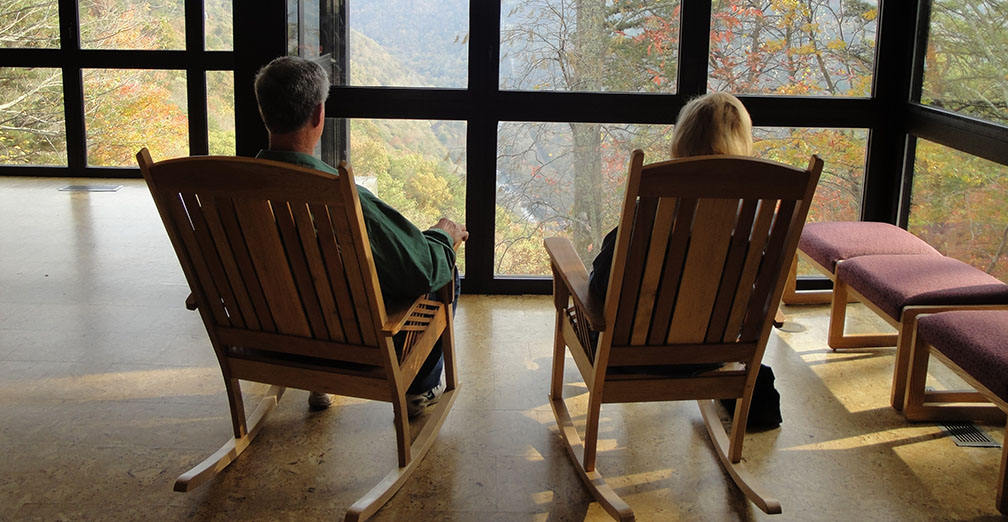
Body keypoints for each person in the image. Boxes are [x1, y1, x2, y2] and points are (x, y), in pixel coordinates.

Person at [253, 55, 467, 418]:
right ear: (319, 115)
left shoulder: (229, 192)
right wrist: (443, 235)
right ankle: (419, 389)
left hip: (267, 340)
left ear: (264, 113)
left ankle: (316, 380)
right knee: (446, 273)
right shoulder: (338, 195)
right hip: (346, 346)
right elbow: (423, 270)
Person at [588, 92, 782, 429]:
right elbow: (763, 293)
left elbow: (602, 286)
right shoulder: (758, 217)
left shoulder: (652, 209)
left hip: (628, 356)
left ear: (682, 140)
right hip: (716, 354)